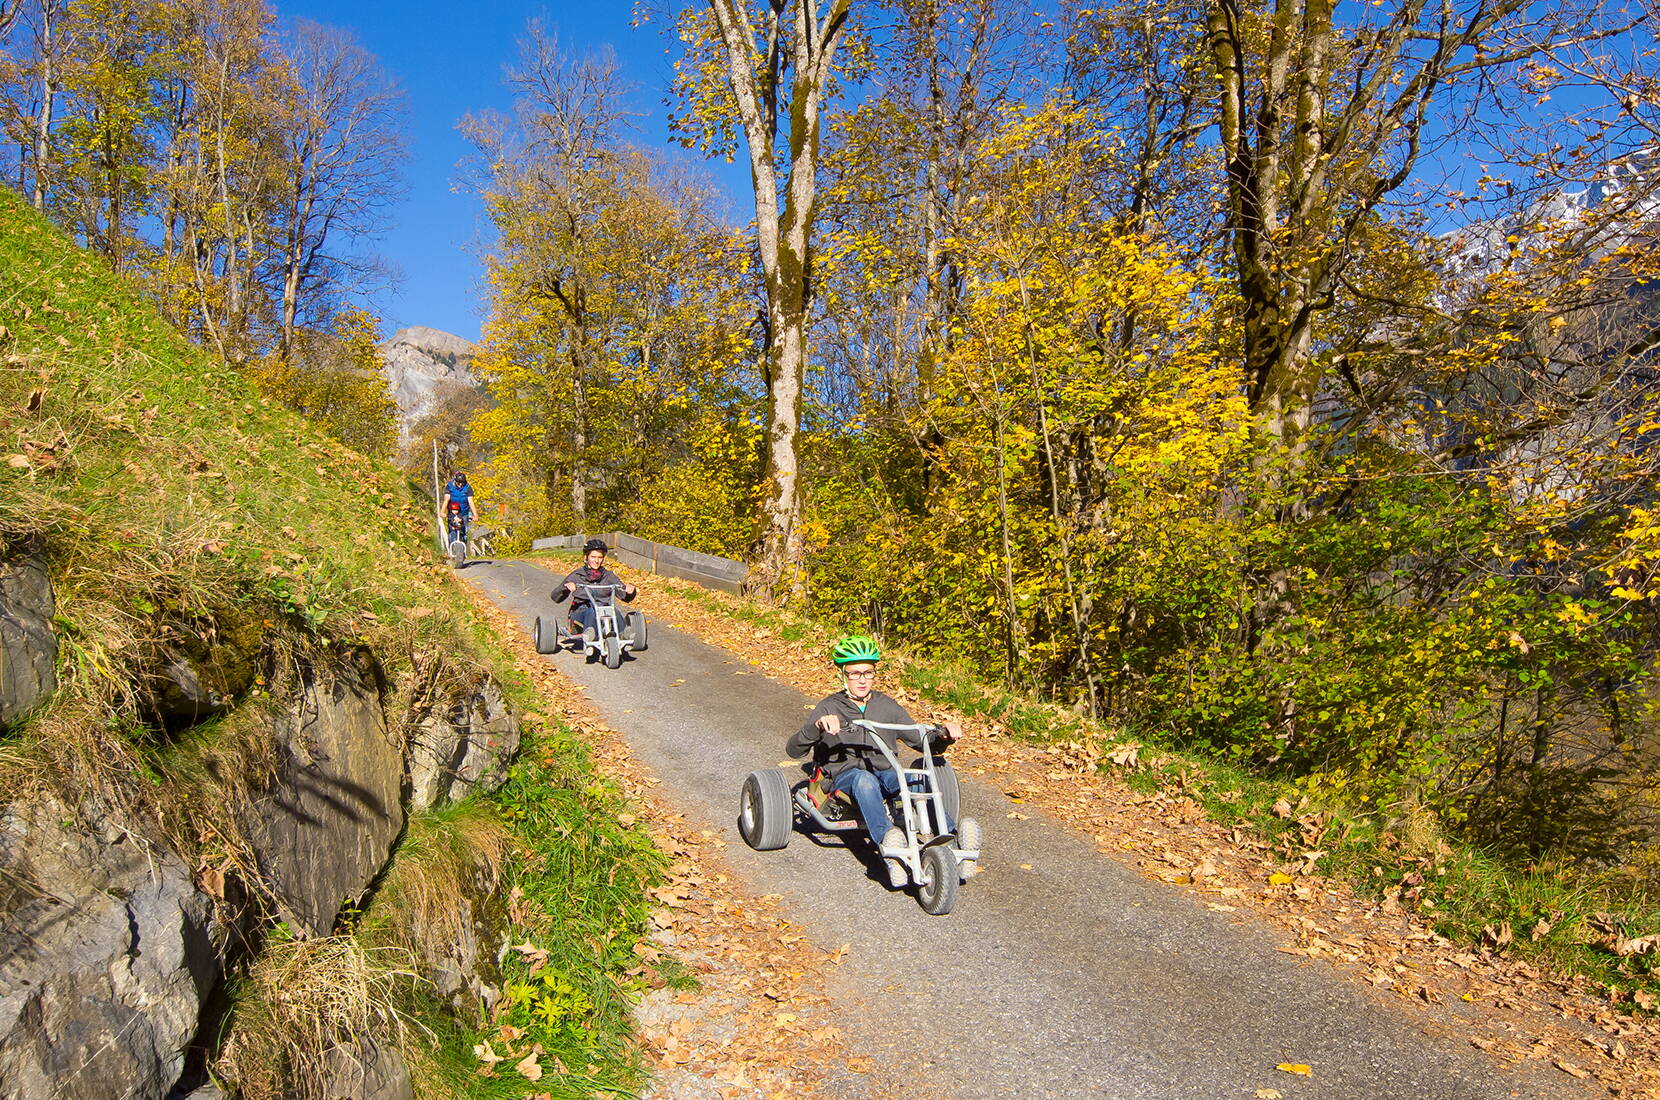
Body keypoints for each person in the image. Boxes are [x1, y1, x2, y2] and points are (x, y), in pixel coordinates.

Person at [786, 635, 979, 886]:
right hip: (844, 777)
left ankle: (953, 841)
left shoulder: (886, 705)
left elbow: (920, 742)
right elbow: (793, 750)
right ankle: (889, 846)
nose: (862, 679)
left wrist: (944, 736)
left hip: (886, 771)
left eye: (868, 672)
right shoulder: (829, 707)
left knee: (916, 779)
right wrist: (817, 727)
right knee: (865, 781)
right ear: (842, 675)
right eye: (855, 673)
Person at [555, 539, 637, 637]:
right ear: (586, 557)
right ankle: (590, 635)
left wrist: (630, 591)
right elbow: (556, 597)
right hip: (581, 612)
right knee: (592, 611)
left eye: (600, 557)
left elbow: (625, 597)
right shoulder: (577, 575)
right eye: (593, 557)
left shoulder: (608, 576)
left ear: (603, 559)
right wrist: (566, 588)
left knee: (614, 611)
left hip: (604, 611)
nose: (597, 561)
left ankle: (624, 634)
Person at [442, 472, 475, 540]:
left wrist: (475, 515)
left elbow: (471, 502)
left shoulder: (467, 488)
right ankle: (452, 548)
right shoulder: (450, 486)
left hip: (464, 513)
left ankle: (463, 548)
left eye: (462, 483)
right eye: (458, 483)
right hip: (453, 513)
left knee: (464, 533)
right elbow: (446, 499)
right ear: (455, 481)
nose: (460, 485)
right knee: (453, 532)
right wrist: (442, 511)